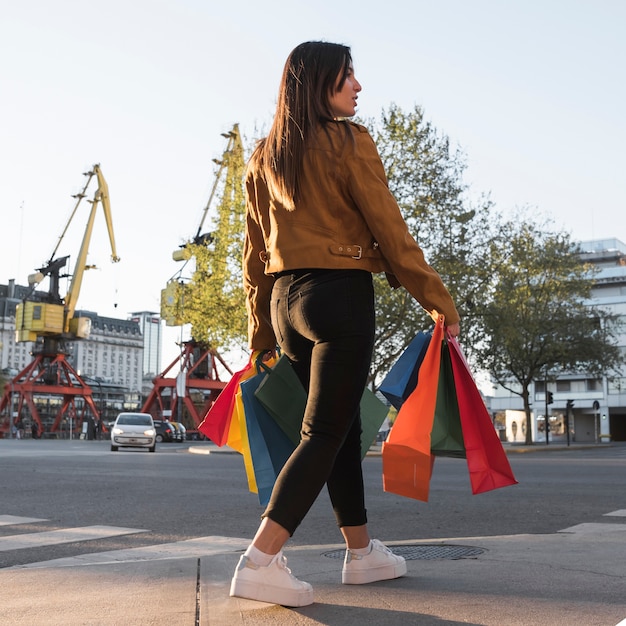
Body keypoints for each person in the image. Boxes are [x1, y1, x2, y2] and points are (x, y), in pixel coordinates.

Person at [231, 40, 461, 607]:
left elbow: (254, 256)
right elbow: (391, 229)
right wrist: (439, 302)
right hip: (339, 297)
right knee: (325, 434)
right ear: (318, 84)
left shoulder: (265, 156)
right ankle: (259, 560)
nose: (358, 86)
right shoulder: (348, 141)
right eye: (348, 76)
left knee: (343, 431)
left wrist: (262, 333)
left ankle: (361, 554)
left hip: (287, 304)